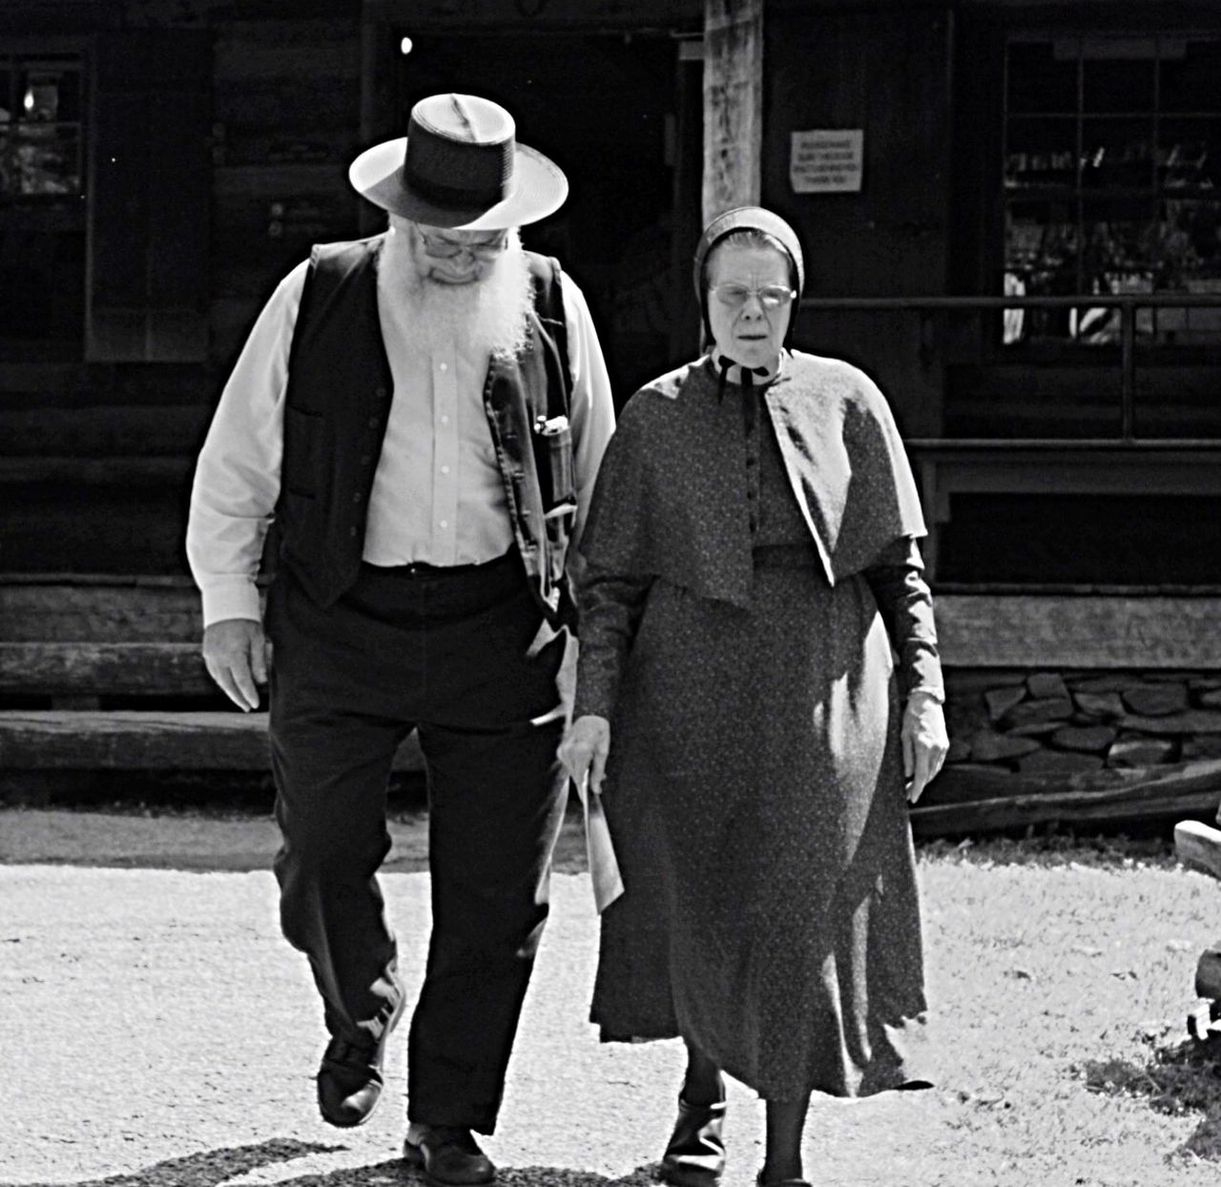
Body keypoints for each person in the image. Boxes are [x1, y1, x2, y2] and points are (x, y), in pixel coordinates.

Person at [187, 93, 614, 1184]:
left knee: (497, 891)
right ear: (398, 216)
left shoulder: (556, 305)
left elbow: (606, 487)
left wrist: (598, 643)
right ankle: (360, 1001)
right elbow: (239, 460)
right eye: (438, 239)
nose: (461, 259)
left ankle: (449, 1117)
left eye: (482, 241)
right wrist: (229, 602)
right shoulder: (318, 291)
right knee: (323, 846)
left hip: (505, 622)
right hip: (338, 611)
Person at [559, 206, 948, 1187]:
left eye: (771, 295)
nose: (753, 311)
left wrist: (926, 690)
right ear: (706, 299)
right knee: (706, 901)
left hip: (826, 687)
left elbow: (900, 568)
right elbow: (610, 585)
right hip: (688, 691)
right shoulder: (656, 414)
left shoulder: (848, 399)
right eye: (734, 294)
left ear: (794, 299)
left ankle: (786, 1158)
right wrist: (594, 706)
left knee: (799, 914)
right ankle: (702, 1095)